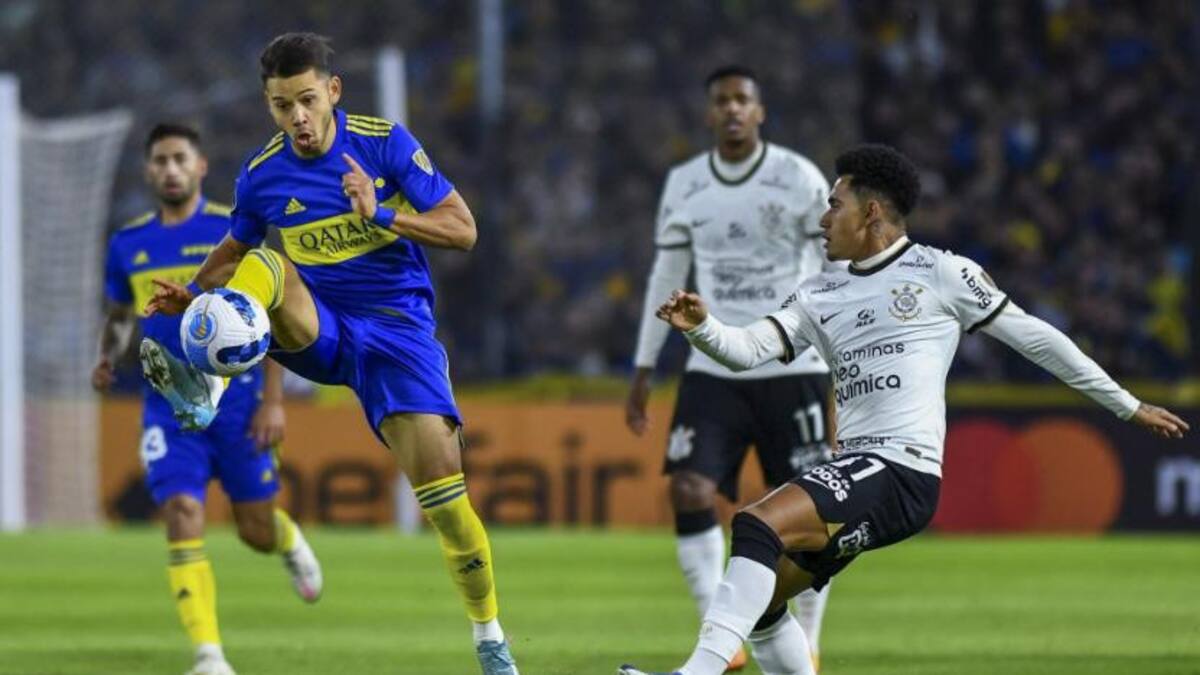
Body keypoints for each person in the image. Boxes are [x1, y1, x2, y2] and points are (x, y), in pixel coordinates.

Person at [619, 144, 1190, 675]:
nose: (822, 220)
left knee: (756, 523)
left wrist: (1125, 404)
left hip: (902, 469)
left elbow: (1038, 339)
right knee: (762, 599)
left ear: (870, 214)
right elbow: (748, 351)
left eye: (833, 206)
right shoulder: (818, 293)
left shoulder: (942, 272)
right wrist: (703, 328)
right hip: (864, 469)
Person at [140, 33, 518, 675]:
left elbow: (464, 229)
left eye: (307, 101)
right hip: (321, 329)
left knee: (450, 509)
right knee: (267, 262)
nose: (297, 119)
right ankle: (209, 379)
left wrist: (384, 218)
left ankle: (489, 637)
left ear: (333, 92)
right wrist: (195, 294)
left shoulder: (384, 142)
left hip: (398, 332)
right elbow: (236, 249)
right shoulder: (261, 175)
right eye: (282, 106)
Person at [626, 65, 834, 672]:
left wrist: (842, 357)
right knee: (688, 488)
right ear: (709, 113)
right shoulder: (686, 185)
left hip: (792, 364)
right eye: (723, 101)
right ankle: (726, 639)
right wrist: (644, 365)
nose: (734, 109)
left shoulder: (797, 178)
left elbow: (832, 272)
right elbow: (665, 280)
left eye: (744, 99)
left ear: (760, 111)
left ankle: (809, 642)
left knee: (808, 517)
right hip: (713, 367)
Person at [93, 123, 321, 675]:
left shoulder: (232, 232)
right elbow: (121, 316)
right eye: (159, 161)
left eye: (179, 159)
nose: (169, 169)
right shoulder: (128, 245)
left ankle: (285, 539)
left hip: (239, 403)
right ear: (149, 172)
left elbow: (263, 320)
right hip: (167, 403)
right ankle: (209, 655)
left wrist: (274, 400)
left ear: (199, 167)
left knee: (254, 530)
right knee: (182, 509)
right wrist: (107, 355)